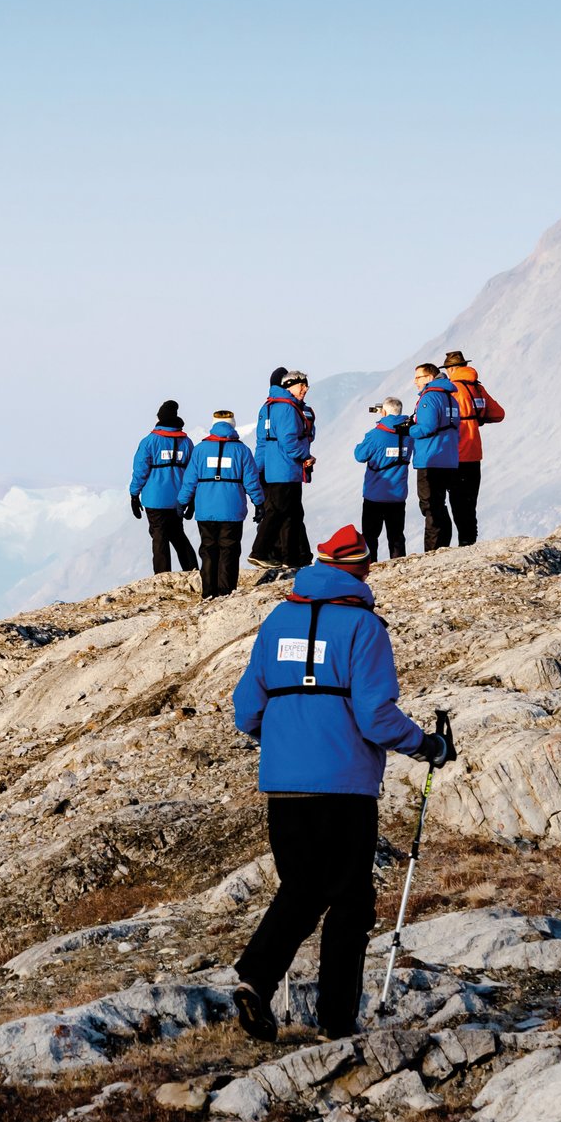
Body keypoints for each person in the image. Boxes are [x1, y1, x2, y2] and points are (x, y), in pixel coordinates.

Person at [228, 524, 434, 1042]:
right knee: (349, 901)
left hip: (284, 786)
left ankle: (255, 979)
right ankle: (336, 1021)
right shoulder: (364, 628)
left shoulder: (277, 620)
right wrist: (426, 745)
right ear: (355, 569)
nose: (369, 573)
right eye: (366, 566)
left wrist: (283, 741)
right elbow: (375, 716)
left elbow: (247, 708)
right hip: (344, 788)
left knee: (300, 888)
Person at [188, 409, 264, 598]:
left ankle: (208, 593)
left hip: (205, 509)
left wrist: (183, 503)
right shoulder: (242, 450)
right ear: (233, 424)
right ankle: (226, 592)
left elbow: (189, 480)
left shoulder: (200, 450)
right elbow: (251, 481)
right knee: (229, 549)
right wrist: (259, 503)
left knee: (208, 549)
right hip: (232, 508)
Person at [250, 367, 316, 569]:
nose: (305, 389)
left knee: (292, 514)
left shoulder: (267, 408)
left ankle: (291, 558)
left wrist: (258, 470)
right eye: (301, 385)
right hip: (287, 469)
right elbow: (288, 440)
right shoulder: (289, 408)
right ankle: (260, 551)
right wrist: (305, 456)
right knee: (279, 512)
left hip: (272, 469)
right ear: (287, 385)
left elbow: (262, 441)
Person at [127, 400, 200, 576]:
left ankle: (162, 576)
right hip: (178, 498)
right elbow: (193, 473)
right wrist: (192, 498)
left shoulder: (150, 441)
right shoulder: (187, 443)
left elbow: (140, 471)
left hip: (155, 499)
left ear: (159, 418)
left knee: (159, 537)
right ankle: (193, 571)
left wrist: (134, 494)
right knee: (178, 534)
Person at [440, 352, 505, 547]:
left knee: (458, 502)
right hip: (475, 452)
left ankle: (464, 542)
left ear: (451, 369)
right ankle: (470, 540)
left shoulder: (452, 389)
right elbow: (499, 414)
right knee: (470, 501)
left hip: (457, 452)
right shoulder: (477, 388)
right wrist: (478, 419)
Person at [407, 362, 464, 549]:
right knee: (440, 504)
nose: (415, 381)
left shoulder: (428, 398)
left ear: (429, 378)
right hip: (449, 458)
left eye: (418, 377)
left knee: (430, 505)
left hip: (430, 458)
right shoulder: (451, 398)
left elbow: (427, 428)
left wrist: (408, 430)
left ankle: (433, 549)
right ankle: (444, 545)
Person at [352, 399, 411, 560]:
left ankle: (370, 566)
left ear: (383, 412)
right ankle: (399, 563)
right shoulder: (409, 434)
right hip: (398, 495)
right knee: (396, 535)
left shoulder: (375, 434)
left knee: (370, 536)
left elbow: (359, 455)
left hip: (375, 495)